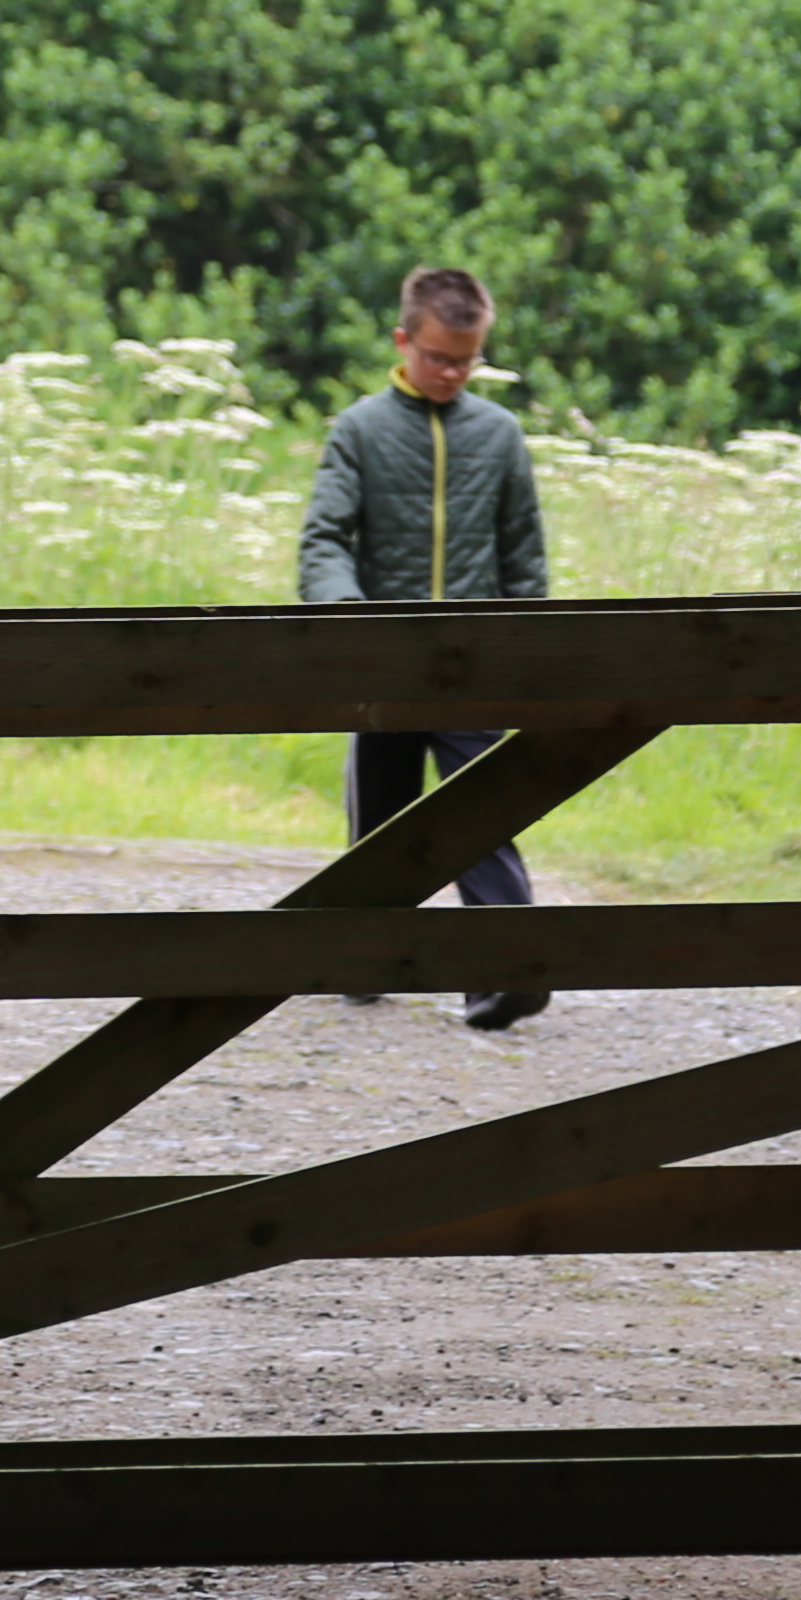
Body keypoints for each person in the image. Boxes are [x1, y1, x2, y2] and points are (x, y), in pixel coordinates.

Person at [296, 263, 554, 1029]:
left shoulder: (500, 435)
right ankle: (364, 960)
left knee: (482, 815)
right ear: (402, 340)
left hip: (475, 666)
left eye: (466, 359)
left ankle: (508, 973)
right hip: (383, 665)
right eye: (438, 356)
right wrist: (349, 618)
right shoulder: (360, 430)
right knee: (382, 824)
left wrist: (532, 653)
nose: (450, 372)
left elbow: (525, 560)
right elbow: (325, 540)